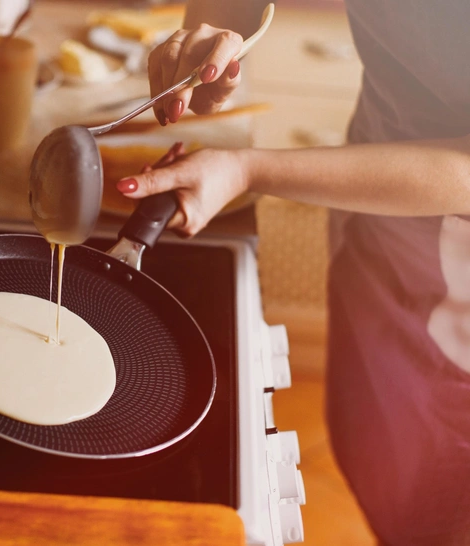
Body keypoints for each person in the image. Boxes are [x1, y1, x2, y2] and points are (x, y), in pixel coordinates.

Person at [117, 1, 470, 545]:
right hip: (380, 204)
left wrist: (250, 169)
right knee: (380, 455)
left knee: (447, 503)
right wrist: (210, 42)